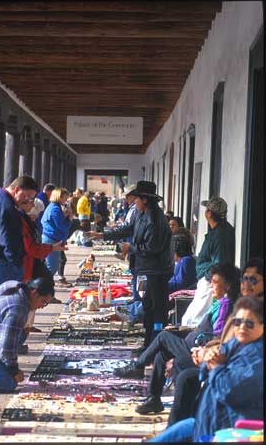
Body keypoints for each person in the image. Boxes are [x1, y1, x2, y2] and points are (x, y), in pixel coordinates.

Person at [114, 263, 239, 416]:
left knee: (163, 337)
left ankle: (138, 365)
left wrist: (201, 346)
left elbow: (218, 335)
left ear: (227, 285)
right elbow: (202, 328)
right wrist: (180, 330)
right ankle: (154, 399)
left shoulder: (226, 305)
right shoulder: (218, 304)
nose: (211, 286)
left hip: (196, 350)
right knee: (161, 355)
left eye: (215, 283)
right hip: (189, 343)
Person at [147, 296, 263, 442]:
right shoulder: (237, 344)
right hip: (208, 421)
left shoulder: (257, 357)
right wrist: (205, 357)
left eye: (249, 323)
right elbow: (208, 368)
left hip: (228, 428)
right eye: (237, 322)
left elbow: (229, 392)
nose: (242, 327)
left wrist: (215, 367)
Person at [166, 257, 264, 426]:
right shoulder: (243, 304)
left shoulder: (256, 311)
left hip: (235, 378)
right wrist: (208, 354)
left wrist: (214, 363)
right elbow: (228, 343)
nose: (247, 284)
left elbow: (239, 370)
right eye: (244, 279)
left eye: (253, 280)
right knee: (180, 364)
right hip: (222, 363)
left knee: (187, 378)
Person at [88, 181, 173, 348]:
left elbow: (152, 248)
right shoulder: (143, 213)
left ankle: (156, 343)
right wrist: (102, 235)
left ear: (145, 199)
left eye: (137, 199)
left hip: (156, 271)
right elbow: (128, 230)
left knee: (156, 311)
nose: (134, 202)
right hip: (146, 269)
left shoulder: (155, 219)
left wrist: (130, 247)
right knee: (148, 308)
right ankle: (149, 342)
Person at [0, 278, 54, 392]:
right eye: (44, 302)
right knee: (7, 382)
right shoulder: (17, 309)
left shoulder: (15, 285)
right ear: (34, 293)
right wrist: (13, 369)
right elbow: (7, 345)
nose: (43, 306)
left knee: (21, 334)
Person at [181, 196, 235, 327]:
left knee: (194, 321)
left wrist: (209, 278)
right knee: (189, 318)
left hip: (210, 282)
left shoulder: (220, 234)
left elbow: (219, 263)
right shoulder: (221, 230)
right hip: (208, 280)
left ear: (209, 213)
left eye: (206, 210)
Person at [41, 188, 72, 276]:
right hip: (51, 239)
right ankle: (43, 286)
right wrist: (69, 219)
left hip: (51, 237)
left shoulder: (54, 207)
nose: (66, 200)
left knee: (52, 265)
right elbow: (61, 227)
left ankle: (44, 285)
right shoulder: (55, 209)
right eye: (65, 198)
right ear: (59, 197)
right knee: (52, 266)